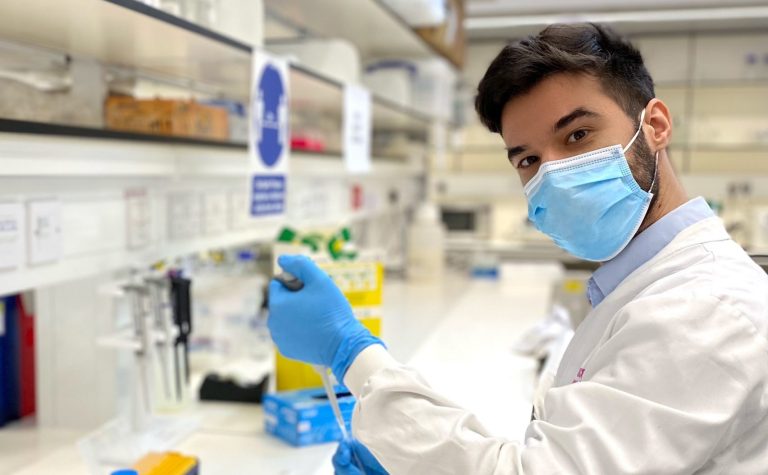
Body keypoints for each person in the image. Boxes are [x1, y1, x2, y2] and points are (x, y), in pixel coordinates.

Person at [268, 23, 768, 474]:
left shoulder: (704, 311)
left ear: (655, 126)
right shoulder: (645, 282)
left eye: (577, 135)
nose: (552, 173)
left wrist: (351, 355)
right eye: (527, 158)